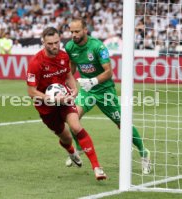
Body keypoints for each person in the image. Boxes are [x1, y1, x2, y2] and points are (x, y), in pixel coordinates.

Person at [64, 18, 151, 174]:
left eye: (77, 31)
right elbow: (72, 67)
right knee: (72, 118)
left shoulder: (98, 47)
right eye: (71, 32)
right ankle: (79, 149)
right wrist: (68, 84)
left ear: (85, 30)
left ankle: (144, 152)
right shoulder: (70, 46)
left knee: (122, 124)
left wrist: (93, 80)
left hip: (105, 91)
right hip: (87, 91)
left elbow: (109, 72)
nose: (73, 35)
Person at [26, 27, 107, 180]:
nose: (54, 46)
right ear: (43, 42)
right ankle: (71, 152)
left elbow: (68, 75)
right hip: (46, 107)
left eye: (56, 42)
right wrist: (52, 99)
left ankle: (97, 167)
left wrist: (74, 89)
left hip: (64, 100)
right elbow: (31, 92)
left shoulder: (63, 56)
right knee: (66, 138)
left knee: (76, 126)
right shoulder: (36, 63)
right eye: (50, 44)